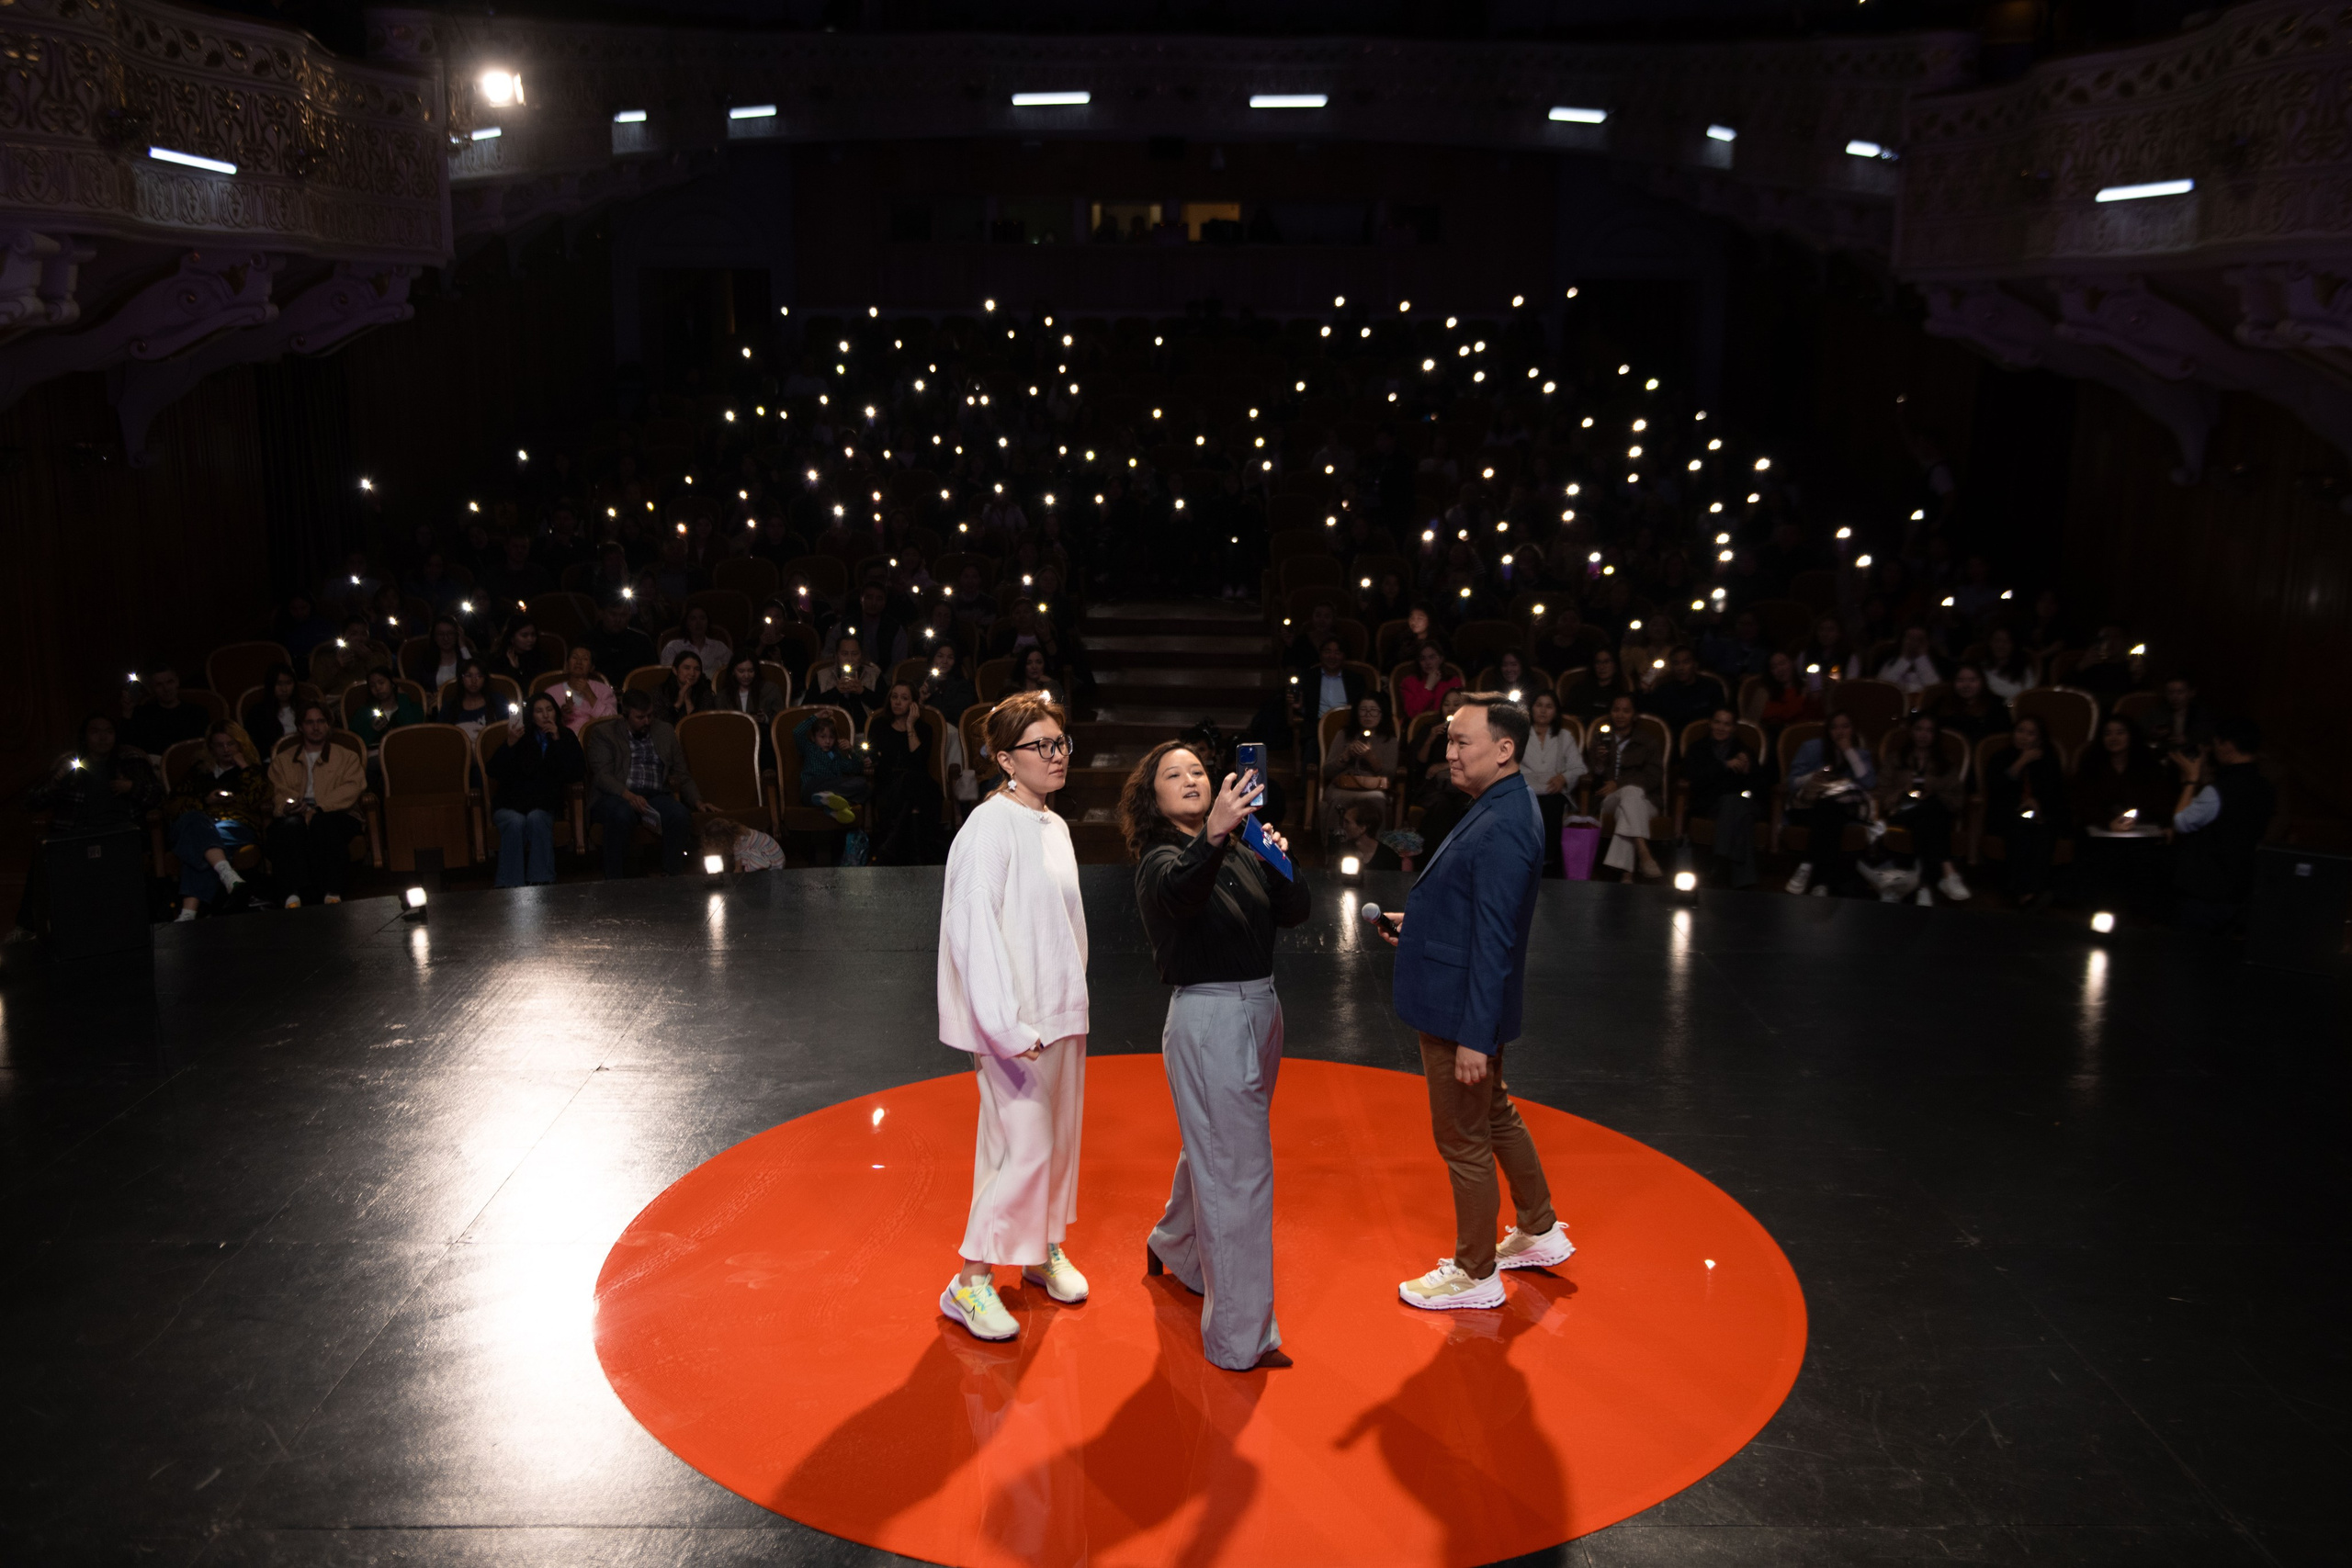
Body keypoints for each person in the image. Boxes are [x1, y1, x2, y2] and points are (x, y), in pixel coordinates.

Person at [1375, 694, 1571, 1310]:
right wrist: (1424, 920)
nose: (1449, 751)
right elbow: (1473, 907)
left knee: (1463, 1135)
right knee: (1493, 1114)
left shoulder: (1507, 821)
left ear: (1505, 749)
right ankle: (1538, 1227)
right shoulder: (1501, 804)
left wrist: (1474, 1037)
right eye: (1450, 740)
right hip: (1461, 994)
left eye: (1462, 741)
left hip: (1460, 1008)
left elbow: (1495, 937)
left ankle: (1475, 1270)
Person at [1122, 739, 1310, 1371]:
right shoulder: (1159, 858)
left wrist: (1272, 852)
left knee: (1215, 1146)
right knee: (1239, 1173)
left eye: (1198, 769)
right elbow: (1180, 894)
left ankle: (1174, 1245)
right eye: (1172, 774)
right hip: (1209, 1015)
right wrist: (1216, 836)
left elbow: (1298, 909)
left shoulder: (1238, 845)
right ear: (1153, 798)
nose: (1190, 779)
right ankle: (1239, 1339)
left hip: (1260, 1008)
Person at [934, 691, 1091, 1343]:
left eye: (1061, 743)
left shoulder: (1053, 824)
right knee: (1023, 1148)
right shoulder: (988, 828)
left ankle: (1039, 1247)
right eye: (1041, 746)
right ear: (1005, 758)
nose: (1056, 756)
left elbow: (1064, 927)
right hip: (1015, 1023)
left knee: (1053, 1143)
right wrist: (1003, 1025)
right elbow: (973, 930)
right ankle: (968, 1280)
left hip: (1060, 1012)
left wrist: (1073, 1002)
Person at [2170, 718, 2277, 931]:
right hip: (2241, 886)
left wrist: (2191, 780)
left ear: (2227, 745)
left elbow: (2181, 822)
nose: (2212, 751)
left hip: (2206, 890)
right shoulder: (2265, 787)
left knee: (2190, 954)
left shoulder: (2219, 791)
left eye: (2216, 744)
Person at [585, 689, 700, 877]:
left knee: (679, 814)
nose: (647, 721)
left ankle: (671, 876)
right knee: (621, 814)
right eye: (640, 717)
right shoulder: (604, 733)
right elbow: (602, 776)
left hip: (654, 794)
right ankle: (615, 881)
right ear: (625, 715)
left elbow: (681, 772)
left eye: (650, 716)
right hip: (617, 795)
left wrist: (697, 801)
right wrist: (628, 795)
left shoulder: (664, 731)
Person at [161, 726, 267, 920]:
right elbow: (172, 804)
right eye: (220, 745)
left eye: (231, 744)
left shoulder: (252, 770)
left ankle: (188, 912)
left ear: (240, 745)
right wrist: (205, 801)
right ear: (211, 748)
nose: (226, 749)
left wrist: (245, 767)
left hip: (235, 825)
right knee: (195, 820)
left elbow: (259, 799)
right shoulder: (199, 771)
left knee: (198, 846)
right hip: (201, 823)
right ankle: (225, 872)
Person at [2073, 714, 2174, 919]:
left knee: (2146, 858)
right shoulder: (2092, 763)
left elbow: (2160, 799)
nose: (2113, 738)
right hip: (2099, 831)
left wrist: (2164, 823)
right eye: (2108, 733)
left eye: (2120, 733)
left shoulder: (2147, 764)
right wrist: (2108, 822)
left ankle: (2140, 915)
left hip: (2140, 831)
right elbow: (2082, 802)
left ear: (2131, 736)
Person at [266, 704, 366, 907]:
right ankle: (293, 894)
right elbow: (279, 791)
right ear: (300, 726)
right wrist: (291, 806)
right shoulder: (284, 760)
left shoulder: (346, 756)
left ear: (328, 725)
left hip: (338, 812)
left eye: (321, 721)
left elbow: (352, 788)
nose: (316, 727)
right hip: (298, 812)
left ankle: (333, 890)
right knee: (289, 827)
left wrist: (319, 807)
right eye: (310, 722)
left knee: (323, 823)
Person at [487, 693, 584, 887]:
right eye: (539, 711)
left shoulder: (566, 736)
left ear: (556, 712)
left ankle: (541, 882)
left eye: (549, 710)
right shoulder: (519, 736)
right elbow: (494, 771)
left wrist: (556, 741)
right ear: (531, 715)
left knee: (537, 818)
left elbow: (575, 773)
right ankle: (510, 886)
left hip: (543, 804)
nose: (545, 715)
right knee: (515, 821)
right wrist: (510, 744)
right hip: (510, 803)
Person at [1875, 713, 1971, 904]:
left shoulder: (1945, 763)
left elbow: (1958, 799)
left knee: (1928, 814)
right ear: (1911, 731)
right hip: (1902, 810)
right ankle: (1947, 871)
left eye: (1929, 731)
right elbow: (1882, 794)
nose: (1923, 735)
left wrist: (1933, 790)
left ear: (1935, 735)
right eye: (1919, 729)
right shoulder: (1896, 759)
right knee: (1931, 813)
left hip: (1930, 813)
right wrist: (1904, 790)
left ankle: (1923, 886)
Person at [1783, 709, 1876, 897]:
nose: (1839, 732)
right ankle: (1822, 883)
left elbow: (1867, 782)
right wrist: (1812, 777)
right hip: (1807, 806)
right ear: (1828, 730)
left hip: (1840, 809)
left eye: (1845, 727)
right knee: (1829, 814)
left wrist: (1848, 751)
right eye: (1834, 727)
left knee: (1831, 810)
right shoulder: (1811, 748)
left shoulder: (1861, 754)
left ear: (1853, 730)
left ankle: (1808, 864)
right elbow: (1792, 783)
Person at [1984, 713, 2067, 908]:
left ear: (2039, 738)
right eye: (2020, 731)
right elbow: (1996, 789)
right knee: (2019, 830)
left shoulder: (2049, 760)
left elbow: (2056, 793)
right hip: (2006, 814)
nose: (2023, 736)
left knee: (2042, 832)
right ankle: (2024, 892)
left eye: (2030, 733)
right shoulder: (2000, 757)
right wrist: (2021, 762)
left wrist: (2038, 803)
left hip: (2040, 816)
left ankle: (2032, 891)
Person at [1583, 693, 1664, 881]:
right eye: (1616, 710)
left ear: (1634, 715)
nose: (1620, 715)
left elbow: (1653, 778)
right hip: (1607, 800)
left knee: (1628, 801)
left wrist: (1619, 784)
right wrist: (1600, 762)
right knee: (1629, 795)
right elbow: (1589, 775)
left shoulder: (1647, 741)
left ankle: (1626, 876)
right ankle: (1644, 854)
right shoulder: (1601, 737)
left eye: (1626, 711)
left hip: (1646, 801)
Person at [1682, 706, 1762, 888]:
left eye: (1727, 724)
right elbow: (1693, 778)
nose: (1721, 727)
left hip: (1744, 802)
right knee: (1743, 817)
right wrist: (1724, 765)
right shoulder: (1698, 748)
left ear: (1734, 728)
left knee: (1734, 802)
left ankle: (1720, 862)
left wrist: (1748, 770)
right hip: (1710, 805)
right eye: (1717, 722)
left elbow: (1759, 786)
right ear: (1710, 723)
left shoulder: (1744, 751)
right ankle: (1744, 883)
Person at [870, 681, 944, 863]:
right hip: (890, 784)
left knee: (912, 779)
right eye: (894, 697)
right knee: (912, 802)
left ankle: (888, 847)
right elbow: (874, 759)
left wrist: (910, 725)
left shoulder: (924, 729)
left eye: (904, 698)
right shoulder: (879, 725)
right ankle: (919, 857)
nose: (897, 702)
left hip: (921, 783)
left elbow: (919, 761)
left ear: (913, 704)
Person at [1520, 690, 1585, 876]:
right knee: (1530, 806)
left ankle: (1548, 863)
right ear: (1531, 708)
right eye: (1539, 705)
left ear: (1556, 711)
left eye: (1549, 706)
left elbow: (1578, 768)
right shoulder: (1519, 733)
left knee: (1552, 804)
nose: (1543, 710)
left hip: (1553, 789)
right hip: (1526, 788)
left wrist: (1563, 778)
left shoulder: (1565, 736)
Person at [1318, 694, 1397, 841]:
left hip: (1373, 787)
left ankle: (1373, 853)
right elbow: (1327, 771)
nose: (1368, 715)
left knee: (1378, 800)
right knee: (1338, 800)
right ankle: (1334, 851)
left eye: (1373, 711)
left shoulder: (1389, 739)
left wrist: (1371, 758)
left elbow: (1391, 775)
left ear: (1382, 714)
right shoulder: (1343, 734)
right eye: (1363, 710)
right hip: (1343, 785)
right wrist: (1345, 756)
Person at [792, 711, 870, 825]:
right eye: (822, 737)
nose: (827, 741)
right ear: (814, 738)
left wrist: (851, 751)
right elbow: (797, 733)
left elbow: (855, 769)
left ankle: (831, 807)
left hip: (833, 786)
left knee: (864, 785)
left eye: (831, 737)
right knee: (814, 792)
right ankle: (827, 800)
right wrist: (816, 716)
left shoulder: (836, 755)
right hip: (812, 786)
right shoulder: (810, 748)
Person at [121, 669, 211, 757]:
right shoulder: (143, 714)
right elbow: (128, 745)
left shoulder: (197, 713)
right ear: (152, 688)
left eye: (170, 682)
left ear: (177, 682)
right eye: (159, 685)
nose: (166, 688)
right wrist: (127, 711)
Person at [1641, 646, 1720, 733]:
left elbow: (1719, 719)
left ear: (1695, 664)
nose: (1681, 668)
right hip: (1673, 737)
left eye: (1686, 662)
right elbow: (1652, 719)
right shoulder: (1663, 691)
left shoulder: (1711, 687)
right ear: (1671, 667)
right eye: (1676, 663)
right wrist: (1645, 692)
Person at [1930, 662, 2008, 748]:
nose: (1966, 685)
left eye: (1972, 680)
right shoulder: (1942, 704)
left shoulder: (1996, 705)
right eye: (1960, 680)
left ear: (1982, 682)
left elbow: (2001, 738)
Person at [548, 645, 616, 737]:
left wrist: (589, 694)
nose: (579, 662)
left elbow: (612, 720)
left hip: (596, 740)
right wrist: (562, 715)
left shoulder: (604, 690)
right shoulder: (552, 692)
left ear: (592, 667)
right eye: (575, 657)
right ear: (567, 664)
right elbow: (545, 722)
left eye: (585, 659)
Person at [1560, 645, 1634, 726]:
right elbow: (1567, 714)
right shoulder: (1579, 688)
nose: (1602, 667)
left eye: (1606, 662)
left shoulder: (1620, 693)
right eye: (1598, 662)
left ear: (1615, 665)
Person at [241, 662, 307, 750]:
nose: (284, 689)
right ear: (270, 685)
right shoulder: (258, 713)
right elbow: (252, 745)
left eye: (288, 683)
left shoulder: (305, 707)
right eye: (279, 684)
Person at [2139, 674, 2212, 752]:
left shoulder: (2201, 713)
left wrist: (2189, 739)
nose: (2175, 697)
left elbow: (2208, 734)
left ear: (2191, 693)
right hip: (2165, 754)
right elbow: (2139, 729)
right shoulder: (2158, 711)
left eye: (2180, 692)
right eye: (2170, 692)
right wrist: (2153, 732)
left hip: (2191, 755)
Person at [401, 615, 474, 691]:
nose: (446, 638)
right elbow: (415, 687)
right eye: (440, 634)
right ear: (434, 637)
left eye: (450, 633)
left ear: (457, 635)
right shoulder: (424, 660)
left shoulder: (464, 656)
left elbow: (473, 675)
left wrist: (462, 645)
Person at [435, 658, 501, 740]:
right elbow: (440, 736)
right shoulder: (449, 707)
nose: (474, 680)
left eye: (479, 676)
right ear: (462, 679)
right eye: (469, 676)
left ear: (485, 679)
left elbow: (505, 732)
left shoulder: (498, 701)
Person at [1396, 640, 1462, 722]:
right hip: (1419, 728)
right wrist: (1428, 687)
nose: (1427, 662)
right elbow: (1413, 714)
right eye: (1422, 659)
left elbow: (1460, 711)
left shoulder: (1453, 682)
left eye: (1432, 657)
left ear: (1441, 659)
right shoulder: (1409, 683)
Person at [1336, 799, 1408, 871]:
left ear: (1363, 828)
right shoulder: (1342, 851)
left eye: (1347, 822)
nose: (1343, 826)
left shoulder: (1389, 858)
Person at [699, 814, 786, 872]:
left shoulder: (738, 842)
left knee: (742, 856)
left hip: (774, 863)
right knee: (742, 855)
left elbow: (738, 869)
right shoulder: (738, 833)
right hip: (775, 857)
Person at [659, 604, 731, 672]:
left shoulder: (719, 647)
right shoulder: (673, 647)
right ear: (686, 623)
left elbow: (732, 671)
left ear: (707, 622)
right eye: (693, 619)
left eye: (702, 618)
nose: (698, 622)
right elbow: (667, 676)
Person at [655, 649, 718, 728]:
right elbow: (661, 726)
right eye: (687, 668)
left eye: (697, 669)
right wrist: (678, 703)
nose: (692, 673)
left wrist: (688, 701)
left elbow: (702, 727)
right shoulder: (661, 691)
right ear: (675, 670)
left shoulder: (705, 693)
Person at [489, 615, 551, 685]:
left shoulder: (541, 657)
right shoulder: (500, 658)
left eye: (533, 635)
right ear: (512, 638)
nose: (530, 639)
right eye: (524, 635)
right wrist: (513, 669)